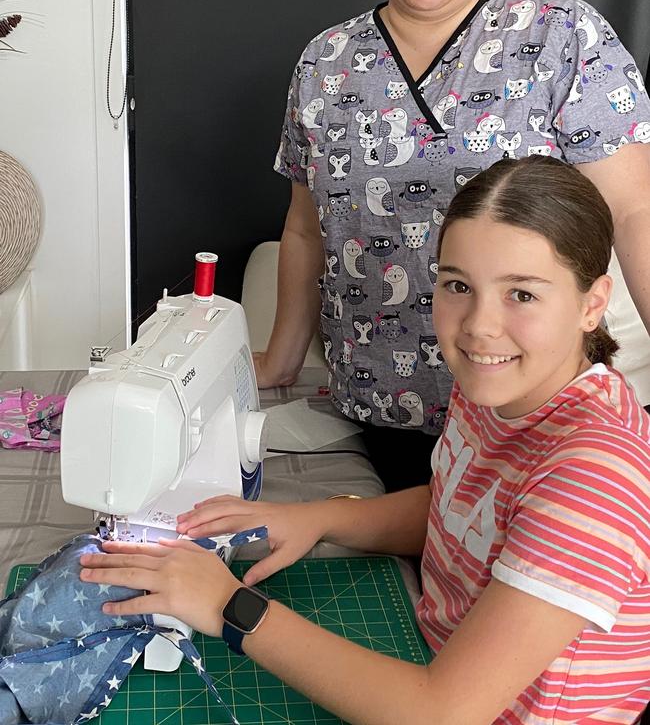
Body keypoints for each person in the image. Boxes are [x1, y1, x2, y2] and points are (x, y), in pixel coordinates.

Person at [81, 156, 650, 725]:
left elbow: (439, 712)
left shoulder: (594, 472)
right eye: (458, 285)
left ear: (593, 304)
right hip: (434, 651)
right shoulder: (496, 388)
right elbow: (459, 507)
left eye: (521, 294)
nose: (479, 324)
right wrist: (320, 518)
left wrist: (228, 606)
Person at [256, 0, 650, 492]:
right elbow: (303, 224)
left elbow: (635, 212)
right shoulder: (325, 63)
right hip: (378, 414)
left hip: (531, 420)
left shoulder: (563, 37)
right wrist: (280, 361)